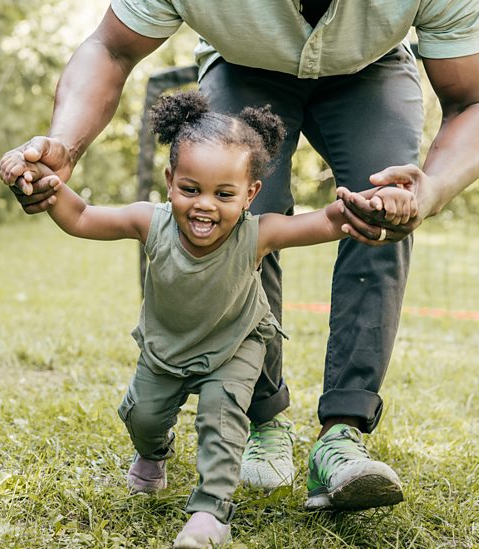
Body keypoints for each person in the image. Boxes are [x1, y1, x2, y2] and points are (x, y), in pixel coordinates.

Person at [0, 0, 479, 512]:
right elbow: (111, 46)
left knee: (381, 213)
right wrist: (64, 143)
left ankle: (341, 436)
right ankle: (264, 417)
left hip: (369, 69)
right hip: (242, 64)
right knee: (233, 210)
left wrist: (431, 190)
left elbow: (474, 103)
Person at [25, 91, 417, 548]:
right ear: (170, 181)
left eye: (224, 194)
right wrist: (48, 187)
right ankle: (154, 454)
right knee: (144, 416)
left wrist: (367, 204)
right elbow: (83, 215)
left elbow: (325, 222)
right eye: (191, 189)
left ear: (250, 194)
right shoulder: (149, 223)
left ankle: (211, 513)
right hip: (166, 346)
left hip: (235, 346)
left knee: (222, 417)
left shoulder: (257, 234)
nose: (205, 206)